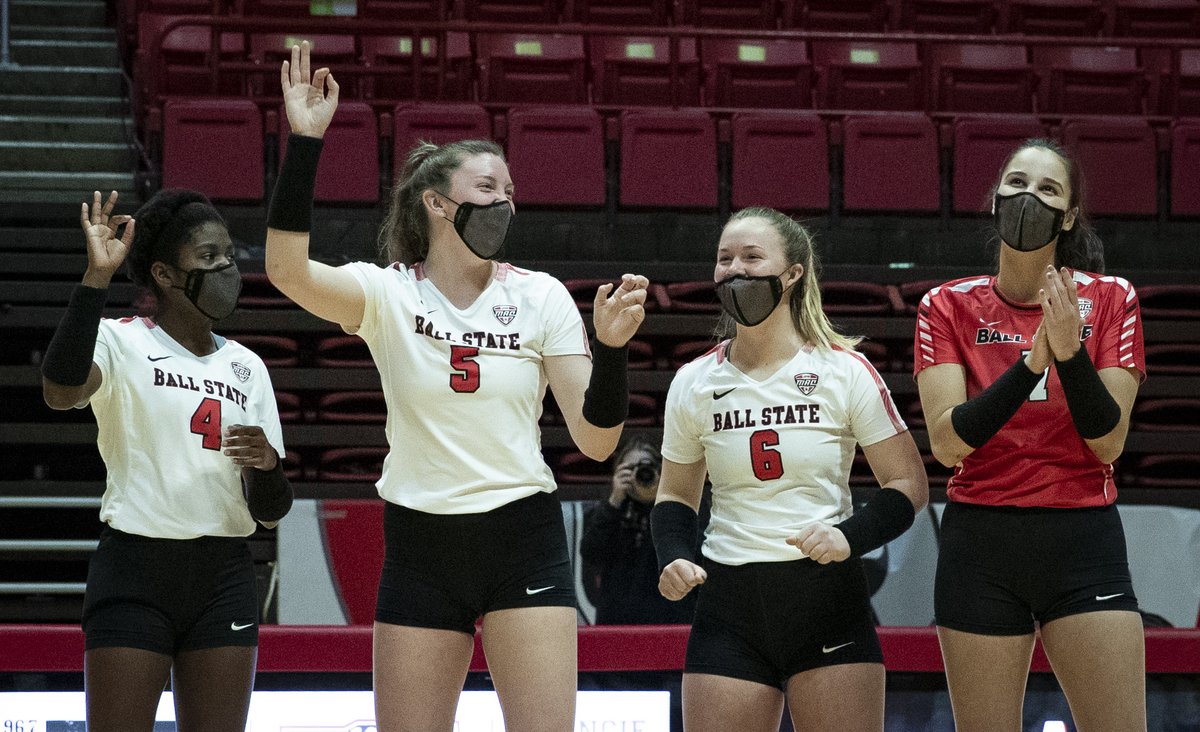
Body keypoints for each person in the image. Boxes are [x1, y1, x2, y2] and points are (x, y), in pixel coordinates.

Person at [264, 42, 648, 731]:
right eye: (486, 191)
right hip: (420, 543)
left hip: (521, 535)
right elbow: (288, 272)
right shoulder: (385, 293)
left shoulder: (543, 297)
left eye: (509, 191)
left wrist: (613, 351)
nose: (504, 202)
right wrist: (305, 143)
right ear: (439, 205)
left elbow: (596, 443)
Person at [651, 207, 929, 732]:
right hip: (728, 607)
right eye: (724, 259)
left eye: (752, 258)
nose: (735, 270)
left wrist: (849, 536)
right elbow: (675, 496)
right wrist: (673, 557)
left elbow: (908, 485)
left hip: (827, 600)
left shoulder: (844, 370)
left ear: (793, 272)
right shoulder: (692, 382)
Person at [914, 138, 1147, 731]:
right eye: (1017, 184)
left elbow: (1108, 442)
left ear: (1068, 216)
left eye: (1048, 189)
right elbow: (946, 444)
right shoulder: (946, 304)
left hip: (1082, 541)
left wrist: (1068, 353)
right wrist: (1031, 364)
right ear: (995, 200)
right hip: (981, 544)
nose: (1029, 198)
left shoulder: (1112, 297)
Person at [42, 189, 292, 732]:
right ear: (164, 274)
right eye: (207, 257)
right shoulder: (119, 340)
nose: (226, 266)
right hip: (135, 570)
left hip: (223, 572)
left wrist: (269, 466)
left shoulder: (248, 367)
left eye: (228, 253)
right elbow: (60, 391)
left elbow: (271, 511)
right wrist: (95, 280)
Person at [580, 436, 704, 625]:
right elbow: (591, 554)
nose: (642, 474)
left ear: (662, 472)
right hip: (616, 625)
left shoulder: (683, 510)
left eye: (650, 468)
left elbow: (697, 556)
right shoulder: (608, 512)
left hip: (674, 623)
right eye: (631, 469)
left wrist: (663, 499)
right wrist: (614, 502)